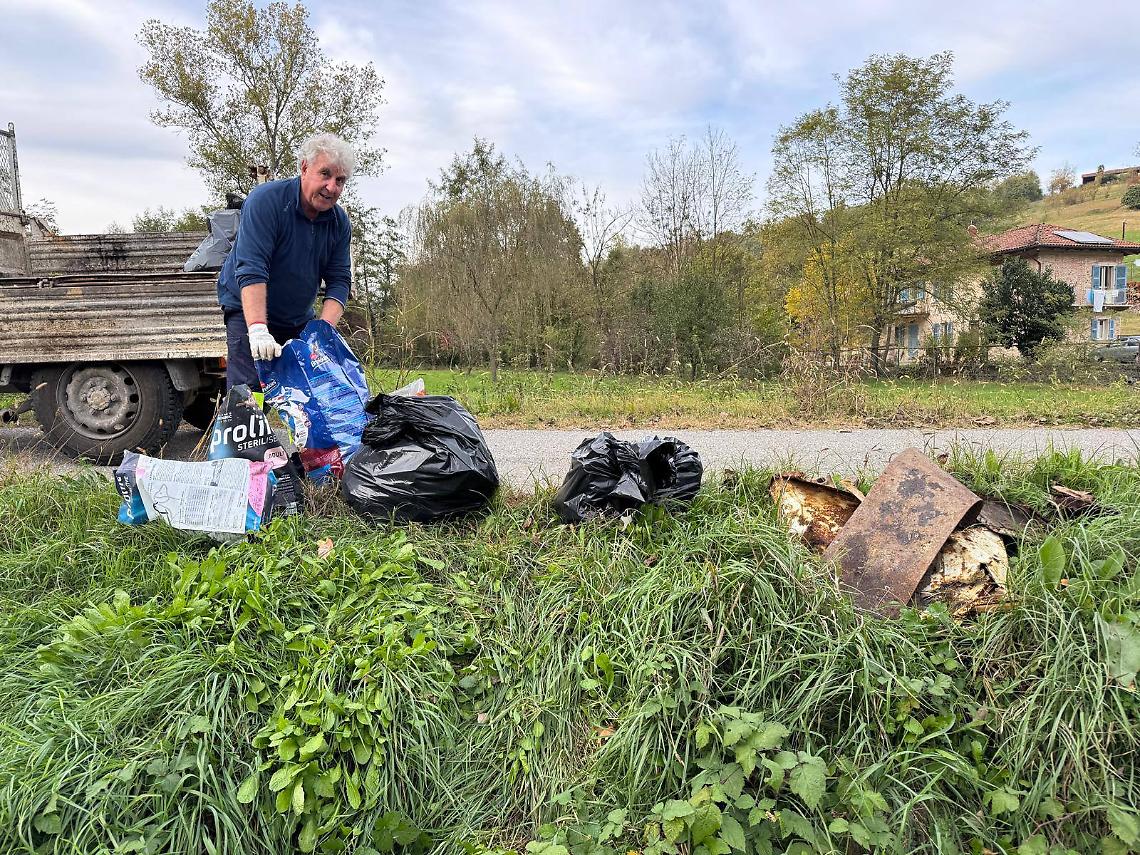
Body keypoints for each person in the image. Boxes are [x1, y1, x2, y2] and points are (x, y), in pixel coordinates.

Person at [216, 132, 355, 389]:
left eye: (340, 180)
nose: (332, 187)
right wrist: (258, 329)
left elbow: (339, 280)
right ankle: (245, 423)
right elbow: (252, 268)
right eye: (325, 174)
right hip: (249, 312)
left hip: (297, 318)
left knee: (305, 395)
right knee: (249, 393)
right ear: (304, 167)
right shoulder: (266, 201)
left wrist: (321, 334)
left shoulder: (339, 223)